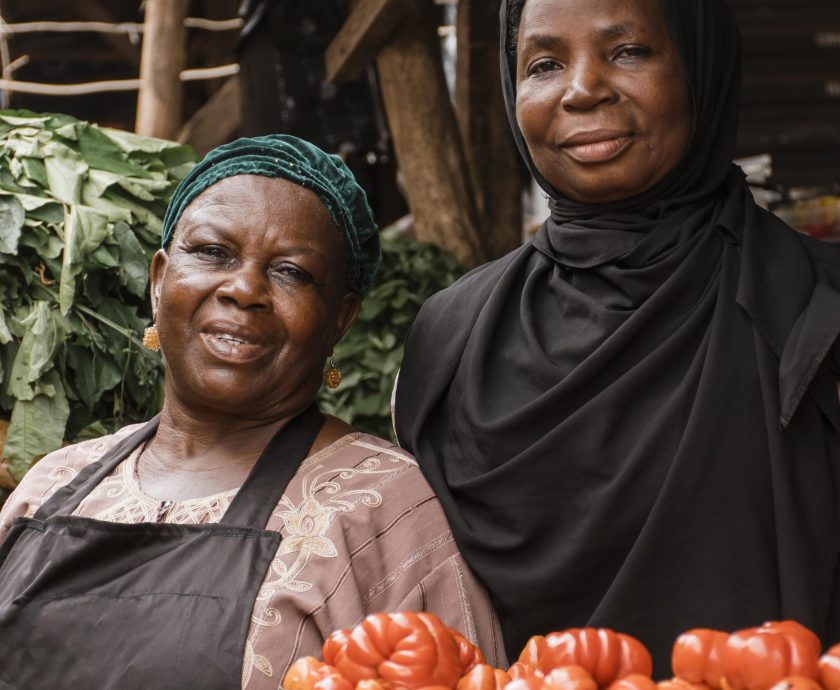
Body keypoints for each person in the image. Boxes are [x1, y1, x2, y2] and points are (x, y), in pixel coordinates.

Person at [394, 0, 840, 677]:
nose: (582, 89)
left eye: (628, 51)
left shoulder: (818, 309)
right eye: (544, 63)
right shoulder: (452, 338)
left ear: (702, 66)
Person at [0, 135, 503, 689]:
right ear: (159, 280)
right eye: (213, 252)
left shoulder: (383, 509)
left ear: (340, 319)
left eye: (291, 271)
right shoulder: (53, 483)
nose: (244, 289)